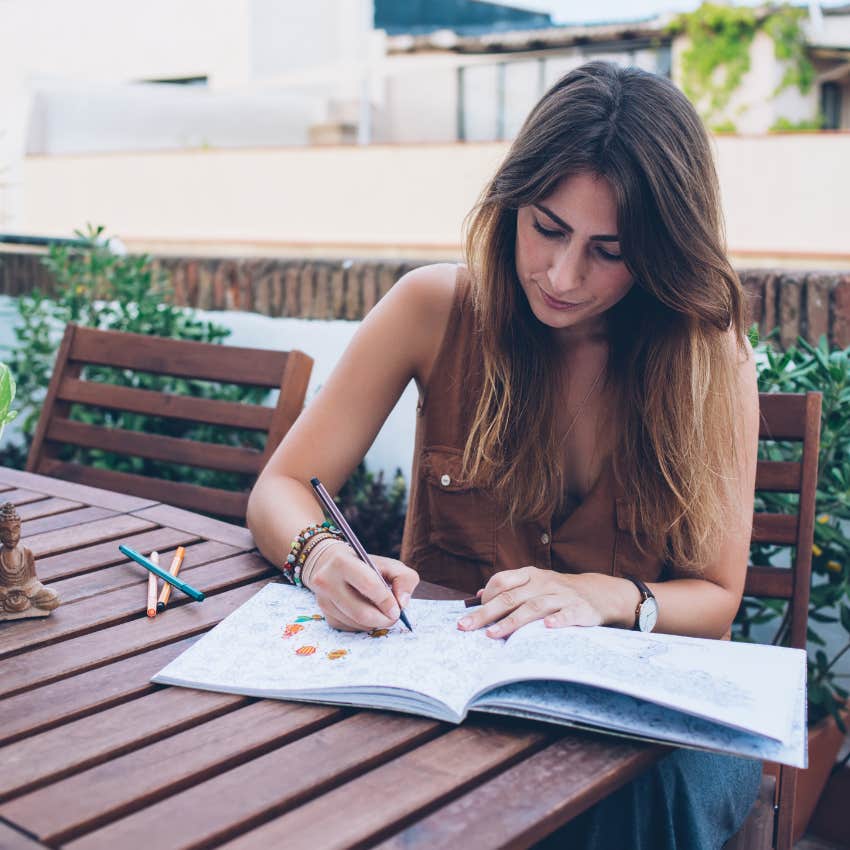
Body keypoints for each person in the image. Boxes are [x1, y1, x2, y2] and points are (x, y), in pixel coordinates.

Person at [247, 61, 761, 849]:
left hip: (641, 728)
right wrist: (318, 558)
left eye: (609, 250)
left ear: (662, 252)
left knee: (610, 814)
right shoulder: (434, 308)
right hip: (449, 705)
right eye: (547, 228)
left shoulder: (707, 360)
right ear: (511, 203)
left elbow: (717, 597)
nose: (562, 276)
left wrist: (600, 594)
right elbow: (282, 485)